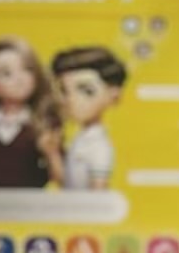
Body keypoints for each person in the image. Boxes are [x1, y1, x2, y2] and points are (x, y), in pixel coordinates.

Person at [0, 37, 63, 189]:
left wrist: (37, 178)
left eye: (27, 69)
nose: (20, 79)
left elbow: (57, 170)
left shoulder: (42, 124)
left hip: (30, 202)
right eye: (7, 74)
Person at [52, 45, 126, 191]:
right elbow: (66, 184)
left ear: (114, 95)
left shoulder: (99, 146)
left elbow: (98, 194)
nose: (71, 100)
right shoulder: (80, 139)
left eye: (86, 91)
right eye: (64, 91)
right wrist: (52, 152)